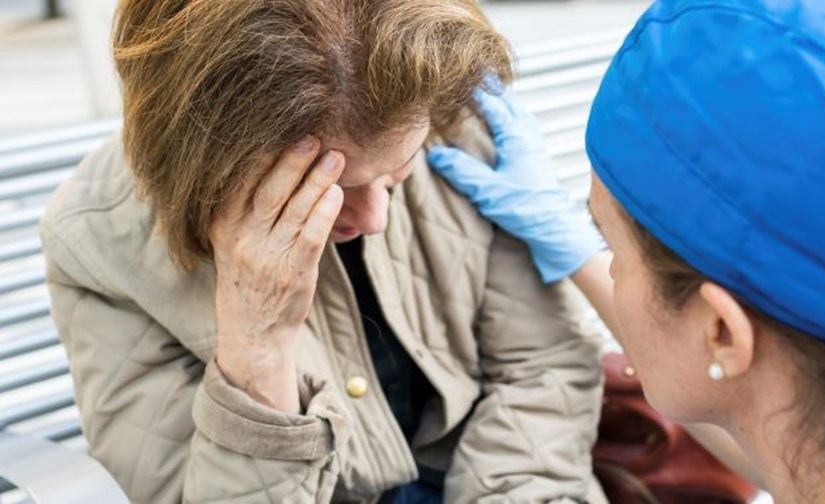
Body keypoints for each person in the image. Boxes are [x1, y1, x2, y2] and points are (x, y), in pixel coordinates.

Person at [427, 0, 825, 502]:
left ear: (722, 332)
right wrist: (575, 251)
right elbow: (772, 430)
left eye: (612, 246)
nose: (605, 261)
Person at [39, 1, 607, 502]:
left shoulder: (449, 112)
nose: (373, 220)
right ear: (209, 159)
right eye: (324, 190)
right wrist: (256, 349)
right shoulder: (97, 239)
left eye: (394, 173)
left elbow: (542, 367)